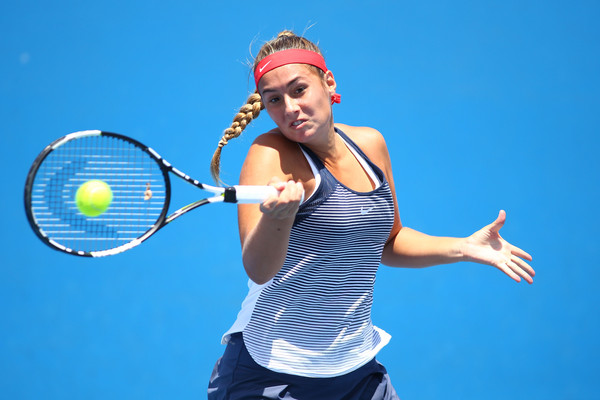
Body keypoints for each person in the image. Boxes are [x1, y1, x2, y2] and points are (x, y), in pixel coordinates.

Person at [207, 31, 535, 400]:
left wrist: (463, 247)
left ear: (329, 83)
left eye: (299, 90)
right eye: (275, 100)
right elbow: (258, 268)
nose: (290, 109)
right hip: (271, 376)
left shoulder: (370, 144)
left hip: (358, 373)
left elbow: (389, 241)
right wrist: (278, 217)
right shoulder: (269, 153)